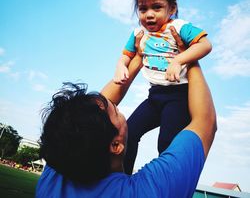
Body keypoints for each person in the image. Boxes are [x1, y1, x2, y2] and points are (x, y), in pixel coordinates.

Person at [36, 30, 217, 197]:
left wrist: (138, 56)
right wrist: (187, 56)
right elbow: (205, 122)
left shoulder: (57, 170)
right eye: (116, 110)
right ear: (116, 145)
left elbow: (95, 111)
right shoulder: (149, 189)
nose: (116, 106)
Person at [113, 0, 212, 174]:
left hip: (179, 96)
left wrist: (179, 60)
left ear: (172, 8)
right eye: (143, 9)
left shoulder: (179, 26)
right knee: (128, 132)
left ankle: (163, 186)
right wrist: (120, 65)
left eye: (157, 7)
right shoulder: (139, 33)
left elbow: (205, 45)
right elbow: (126, 55)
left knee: (166, 142)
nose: (149, 14)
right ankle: (123, 179)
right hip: (155, 95)